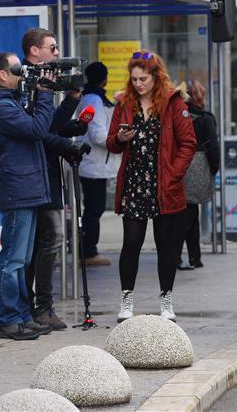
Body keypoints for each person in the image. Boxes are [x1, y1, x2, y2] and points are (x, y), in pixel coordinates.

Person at [106, 50, 196, 322]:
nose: (138, 84)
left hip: (164, 186)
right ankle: (126, 300)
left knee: (166, 245)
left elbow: (188, 143)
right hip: (135, 182)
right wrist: (121, 137)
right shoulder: (124, 102)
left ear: (156, 77)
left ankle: (166, 301)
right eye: (134, 79)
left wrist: (173, 175)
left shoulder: (173, 102)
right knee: (131, 243)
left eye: (143, 78)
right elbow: (111, 142)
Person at [0, 52, 55, 340]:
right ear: (2, 74)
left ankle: (22, 315)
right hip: (17, 190)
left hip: (26, 189)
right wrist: (45, 96)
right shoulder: (0, 108)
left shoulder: (10, 102)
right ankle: (9, 320)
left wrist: (39, 95)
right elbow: (37, 128)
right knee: (12, 259)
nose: (23, 74)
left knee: (21, 259)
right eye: (17, 70)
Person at [21, 28, 85, 332]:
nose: (58, 53)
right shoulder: (25, 84)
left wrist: (72, 98)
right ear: (35, 51)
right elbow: (40, 132)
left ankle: (40, 306)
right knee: (47, 240)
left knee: (44, 242)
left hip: (45, 174)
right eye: (52, 47)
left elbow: (55, 125)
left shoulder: (43, 82)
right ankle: (39, 307)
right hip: (33, 175)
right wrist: (66, 147)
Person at [76, 62, 121, 266]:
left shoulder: (91, 97)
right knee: (94, 210)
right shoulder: (94, 100)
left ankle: (87, 250)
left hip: (94, 164)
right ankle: (88, 252)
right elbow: (98, 134)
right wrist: (119, 138)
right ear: (105, 79)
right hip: (94, 164)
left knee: (94, 209)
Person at [177, 80, 220, 270]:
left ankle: (194, 256)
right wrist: (213, 168)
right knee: (189, 214)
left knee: (188, 212)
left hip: (178, 166)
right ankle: (181, 256)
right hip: (198, 167)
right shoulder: (205, 118)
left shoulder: (177, 116)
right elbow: (213, 147)